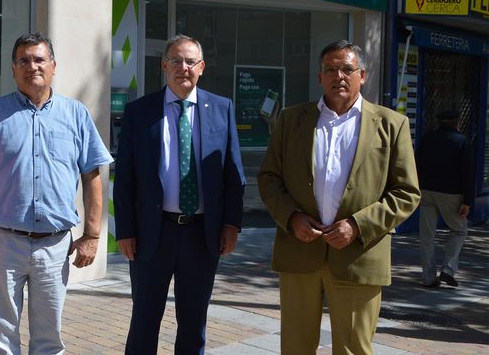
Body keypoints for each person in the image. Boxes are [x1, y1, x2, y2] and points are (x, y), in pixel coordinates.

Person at [258, 40, 420, 355]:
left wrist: (358, 226)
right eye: (330, 69)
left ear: (362, 75)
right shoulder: (291, 120)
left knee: (352, 349)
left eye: (347, 69)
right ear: (320, 77)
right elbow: (268, 178)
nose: (339, 76)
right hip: (299, 252)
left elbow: (407, 192)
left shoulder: (390, 124)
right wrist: (291, 217)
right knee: (295, 347)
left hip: (358, 256)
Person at [0, 32, 113, 355]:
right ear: (13, 69)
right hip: (3, 243)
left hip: (55, 245)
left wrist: (92, 235)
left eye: (39, 59)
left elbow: (93, 178)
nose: (32, 66)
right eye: (23, 61)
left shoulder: (77, 115)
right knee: (2, 339)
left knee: (49, 340)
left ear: (54, 66)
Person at [113, 34, 245, 354]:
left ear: (201, 68)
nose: (182, 68)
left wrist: (230, 225)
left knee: (193, 321)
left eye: (189, 62)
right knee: (144, 319)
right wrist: (126, 231)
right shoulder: (139, 111)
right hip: (152, 233)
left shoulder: (222, 109)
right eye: (175, 60)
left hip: (202, 235)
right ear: (164, 66)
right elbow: (125, 178)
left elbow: (233, 175)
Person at [416, 108, 474, 288]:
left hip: (426, 191)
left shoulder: (428, 139)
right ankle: (448, 270)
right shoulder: (461, 141)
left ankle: (428, 277)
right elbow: (468, 172)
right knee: (458, 231)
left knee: (427, 236)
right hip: (452, 194)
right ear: (457, 122)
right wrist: (467, 201)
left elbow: (417, 163)